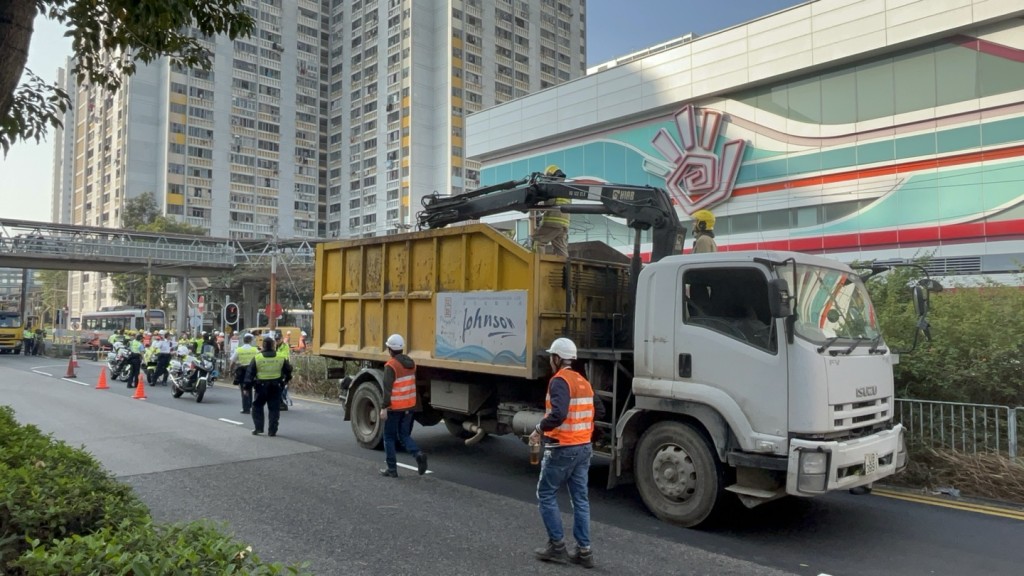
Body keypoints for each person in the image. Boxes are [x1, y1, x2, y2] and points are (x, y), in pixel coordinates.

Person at [530, 337, 604, 568]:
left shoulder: (559, 381)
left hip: (563, 447)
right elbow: (599, 410)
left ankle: (557, 546)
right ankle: (584, 551)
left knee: (546, 493)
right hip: (584, 447)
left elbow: (558, 414)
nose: (551, 361)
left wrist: (539, 429)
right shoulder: (583, 381)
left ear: (557, 358)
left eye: (552, 357)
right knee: (580, 499)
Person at [379, 333, 427, 478]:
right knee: (404, 435)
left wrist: (383, 408)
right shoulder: (411, 363)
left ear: (389, 349)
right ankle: (418, 453)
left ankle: (392, 469)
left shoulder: (391, 366)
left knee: (388, 437)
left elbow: (387, 389)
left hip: (394, 407)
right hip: (409, 406)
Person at [244, 333, 292, 437]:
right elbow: (288, 370)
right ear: (274, 345)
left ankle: (259, 428)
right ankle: (272, 431)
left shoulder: (257, 358)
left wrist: (246, 387)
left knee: (257, 407)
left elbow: (250, 374)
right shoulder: (280, 357)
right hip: (276, 386)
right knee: (274, 409)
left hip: (261, 387)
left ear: (264, 346)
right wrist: (285, 381)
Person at [531, 165, 571, 257]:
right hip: (564, 225)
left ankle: (538, 265)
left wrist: (537, 205)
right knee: (561, 249)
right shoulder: (566, 188)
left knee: (537, 241)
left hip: (553, 222)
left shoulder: (553, 187)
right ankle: (566, 268)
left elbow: (549, 204)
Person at [229, 333, 260, 415]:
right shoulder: (255, 350)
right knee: (250, 388)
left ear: (243, 341)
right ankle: (250, 405)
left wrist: (230, 371)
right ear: (250, 341)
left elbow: (232, 362)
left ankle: (246, 408)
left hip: (242, 372)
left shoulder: (239, 350)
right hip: (252, 371)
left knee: (244, 389)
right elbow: (259, 360)